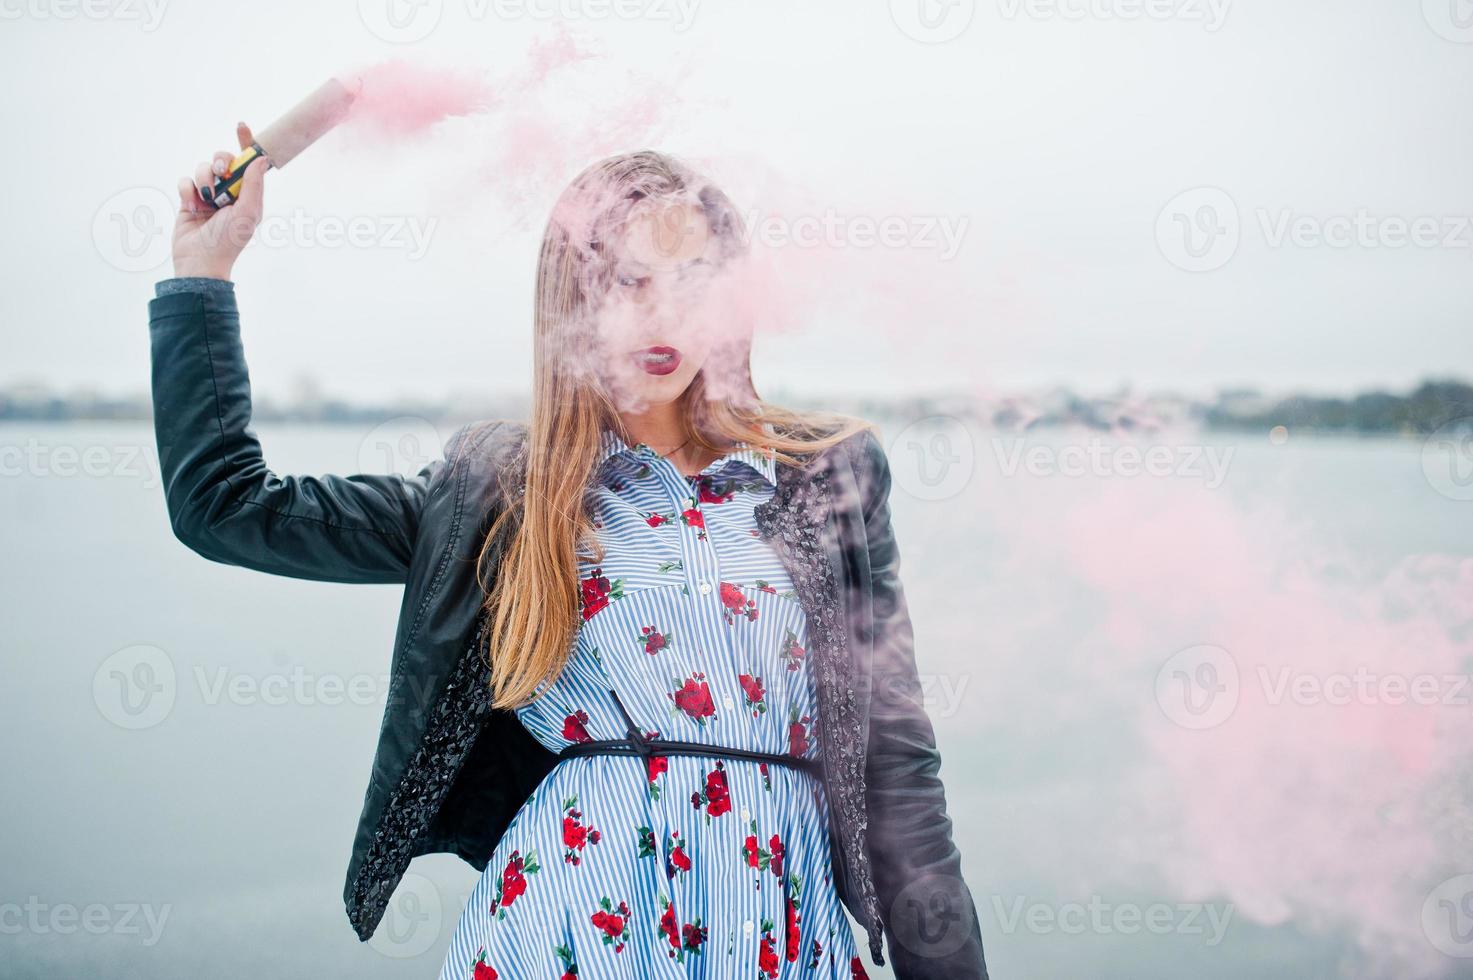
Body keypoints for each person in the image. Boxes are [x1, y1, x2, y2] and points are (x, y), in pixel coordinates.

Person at [152, 126, 989, 979]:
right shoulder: (501, 493)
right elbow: (224, 505)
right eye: (629, 281)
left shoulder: (824, 474)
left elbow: (898, 767)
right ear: (572, 300)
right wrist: (202, 275)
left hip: (781, 927)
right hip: (568, 928)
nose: (665, 315)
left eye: (694, 283)